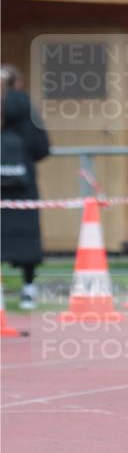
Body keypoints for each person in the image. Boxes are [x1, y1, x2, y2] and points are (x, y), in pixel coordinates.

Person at [1, 65, 51, 310]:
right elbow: (42, 147)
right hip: (23, 187)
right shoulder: (26, 109)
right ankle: (28, 291)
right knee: (27, 237)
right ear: (18, 83)